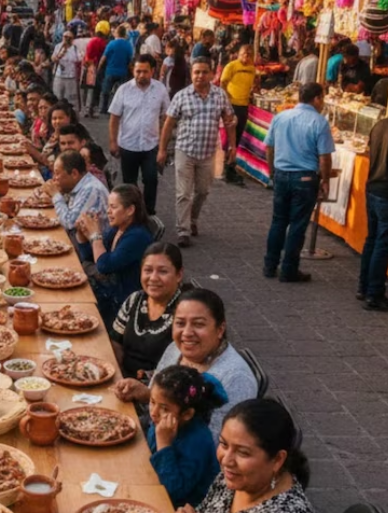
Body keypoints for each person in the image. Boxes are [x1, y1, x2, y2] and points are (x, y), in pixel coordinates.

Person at [112, 288, 257, 442]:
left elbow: (218, 446)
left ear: (220, 329)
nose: (187, 333)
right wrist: (146, 394)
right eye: (180, 323)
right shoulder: (175, 349)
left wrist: (164, 441)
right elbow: (169, 401)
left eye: (198, 324)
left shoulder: (235, 378)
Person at [158, 57, 236, 248]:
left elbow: (229, 120)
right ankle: (182, 230)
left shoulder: (219, 95)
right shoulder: (181, 96)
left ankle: (192, 219)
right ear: (191, 74)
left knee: (202, 191)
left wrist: (232, 146)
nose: (200, 76)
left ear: (211, 74)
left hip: (208, 153)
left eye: (204, 72)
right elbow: (168, 124)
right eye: (196, 72)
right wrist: (161, 149)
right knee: (183, 193)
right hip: (185, 150)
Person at [182, 399, 312, 513]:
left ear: (278, 459)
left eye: (243, 452)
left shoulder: (287, 509)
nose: (226, 460)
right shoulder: (235, 477)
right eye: (223, 444)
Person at [263, 82, 334, 283]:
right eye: (323, 98)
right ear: (317, 98)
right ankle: (288, 269)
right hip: (305, 178)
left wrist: (272, 171)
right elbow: (324, 157)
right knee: (297, 225)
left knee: (278, 221)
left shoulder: (281, 117)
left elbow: (269, 147)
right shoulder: (319, 122)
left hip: (282, 174)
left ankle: (270, 265)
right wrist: (325, 180)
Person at [75, 184, 153, 328]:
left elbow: (104, 266)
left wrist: (95, 235)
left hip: (121, 305)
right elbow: (90, 257)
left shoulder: (137, 237)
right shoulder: (118, 228)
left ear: (130, 210)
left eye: (113, 207)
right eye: (108, 206)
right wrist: (82, 234)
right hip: (107, 293)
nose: (108, 211)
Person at [148, 366, 225, 507]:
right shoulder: (163, 422)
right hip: (153, 486)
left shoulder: (198, 442)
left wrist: (164, 445)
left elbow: (174, 492)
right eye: (152, 402)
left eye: (164, 408)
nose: (154, 412)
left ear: (187, 414)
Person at [110, 242, 186, 378]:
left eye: (163, 271)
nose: (153, 278)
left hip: (160, 389)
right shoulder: (134, 300)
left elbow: (184, 366)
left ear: (179, 274)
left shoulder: (185, 312)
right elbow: (116, 341)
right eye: (148, 270)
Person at [109, 54, 170, 216]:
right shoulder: (123, 90)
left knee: (151, 179)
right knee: (129, 185)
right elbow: (114, 117)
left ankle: (149, 213)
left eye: (145, 71)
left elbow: (166, 117)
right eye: (138, 71)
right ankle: (133, 215)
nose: (141, 75)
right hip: (127, 145)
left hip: (150, 145)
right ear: (133, 70)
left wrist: (163, 146)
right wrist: (113, 142)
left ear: (153, 71)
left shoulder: (160, 89)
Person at [41, 150, 109, 235]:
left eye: (57, 173)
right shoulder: (78, 185)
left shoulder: (91, 189)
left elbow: (70, 224)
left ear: (74, 174)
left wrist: (56, 195)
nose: (54, 178)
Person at [359, 115, 388, 310]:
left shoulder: (379, 125)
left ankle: (364, 286)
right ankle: (374, 293)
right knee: (381, 243)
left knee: (373, 239)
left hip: (373, 188)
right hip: (385, 191)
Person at [220, 45, 255, 187]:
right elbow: (222, 83)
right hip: (232, 105)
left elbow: (251, 84)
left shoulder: (252, 68)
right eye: (244, 54)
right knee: (230, 136)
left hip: (244, 105)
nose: (246, 56)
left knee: (237, 137)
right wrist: (227, 99)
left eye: (249, 54)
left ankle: (230, 166)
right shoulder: (231, 66)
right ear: (238, 54)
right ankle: (226, 168)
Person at [98, 24, 134, 114]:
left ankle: (104, 108)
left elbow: (104, 57)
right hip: (123, 71)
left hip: (111, 70)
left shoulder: (111, 44)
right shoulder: (128, 45)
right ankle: (120, 108)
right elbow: (130, 59)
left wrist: (99, 68)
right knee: (122, 91)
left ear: (117, 33)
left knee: (106, 90)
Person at [81, 20, 110, 118]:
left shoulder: (91, 41)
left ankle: (86, 109)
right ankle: (92, 109)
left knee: (88, 89)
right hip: (97, 68)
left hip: (89, 66)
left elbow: (87, 56)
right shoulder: (103, 43)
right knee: (95, 89)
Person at [51, 31, 82, 106]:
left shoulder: (74, 48)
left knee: (71, 99)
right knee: (57, 97)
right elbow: (53, 58)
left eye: (69, 38)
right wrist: (60, 54)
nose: (66, 39)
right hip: (59, 76)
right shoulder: (58, 46)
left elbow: (79, 58)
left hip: (70, 77)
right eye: (65, 37)